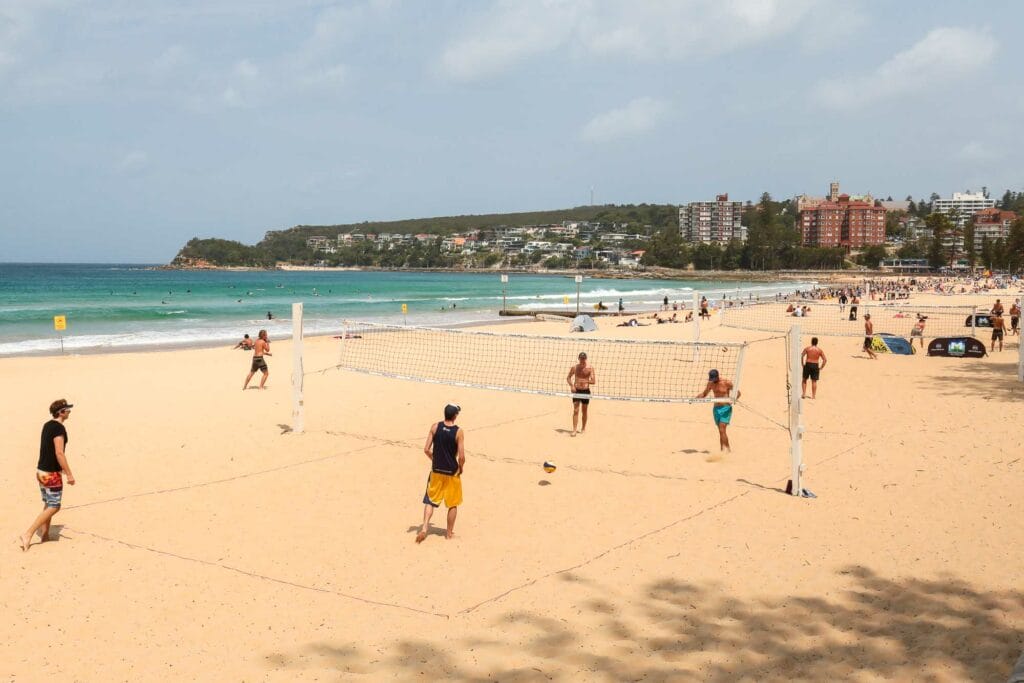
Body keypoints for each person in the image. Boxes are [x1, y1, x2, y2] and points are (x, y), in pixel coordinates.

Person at [19, 399, 76, 551]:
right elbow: (59, 452)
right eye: (68, 410)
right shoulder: (59, 429)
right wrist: (69, 474)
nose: (69, 412)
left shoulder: (47, 424)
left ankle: (45, 535)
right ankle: (28, 533)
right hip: (50, 474)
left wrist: (60, 468)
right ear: (61, 412)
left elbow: (48, 449)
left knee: (48, 504)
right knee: (54, 506)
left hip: (41, 471)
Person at [416, 404, 465, 543]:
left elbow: (426, 449)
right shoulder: (459, 431)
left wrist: (435, 460)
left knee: (430, 501)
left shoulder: (434, 427)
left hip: (436, 470)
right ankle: (449, 534)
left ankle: (425, 528)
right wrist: (461, 467)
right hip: (452, 472)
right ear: (455, 415)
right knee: (452, 504)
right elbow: (461, 457)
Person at [696, 369, 739, 453]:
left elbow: (738, 392)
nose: (712, 380)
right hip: (716, 409)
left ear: (717, 376)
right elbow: (704, 394)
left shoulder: (726, 382)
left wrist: (734, 400)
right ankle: (724, 450)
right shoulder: (711, 383)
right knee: (721, 431)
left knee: (722, 429)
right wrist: (695, 398)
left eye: (713, 378)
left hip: (726, 408)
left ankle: (727, 451)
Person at [567, 351, 596, 436]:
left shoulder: (590, 368)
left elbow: (593, 381)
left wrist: (585, 381)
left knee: (584, 411)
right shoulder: (574, 368)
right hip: (577, 390)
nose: (582, 360)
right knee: (576, 410)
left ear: (586, 359)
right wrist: (572, 386)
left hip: (585, 391)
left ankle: (583, 428)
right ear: (579, 359)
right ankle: (574, 430)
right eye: (581, 358)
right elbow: (568, 378)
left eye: (584, 358)